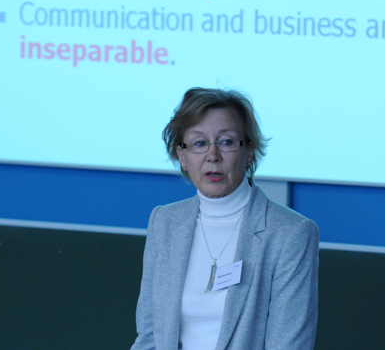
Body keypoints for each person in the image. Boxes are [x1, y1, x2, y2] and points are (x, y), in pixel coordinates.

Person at [131, 87, 319, 350]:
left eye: (227, 142)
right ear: (182, 156)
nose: (213, 156)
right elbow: (149, 337)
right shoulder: (165, 222)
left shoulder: (289, 233)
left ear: (249, 151)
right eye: (199, 143)